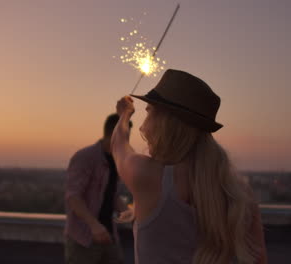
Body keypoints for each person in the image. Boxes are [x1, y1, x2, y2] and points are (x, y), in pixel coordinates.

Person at [111, 69, 267, 264]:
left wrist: (124, 115)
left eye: (149, 112)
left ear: (163, 122)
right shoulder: (238, 191)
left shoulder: (148, 175)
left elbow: (118, 147)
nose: (143, 126)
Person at [64, 113, 132, 264]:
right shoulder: (85, 157)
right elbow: (73, 197)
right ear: (115, 133)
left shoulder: (115, 160)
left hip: (109, 236)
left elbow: (111, 195)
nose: (127, 141)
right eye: (126, 135)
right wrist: (94, 225)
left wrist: (129, 214)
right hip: (84, 239)